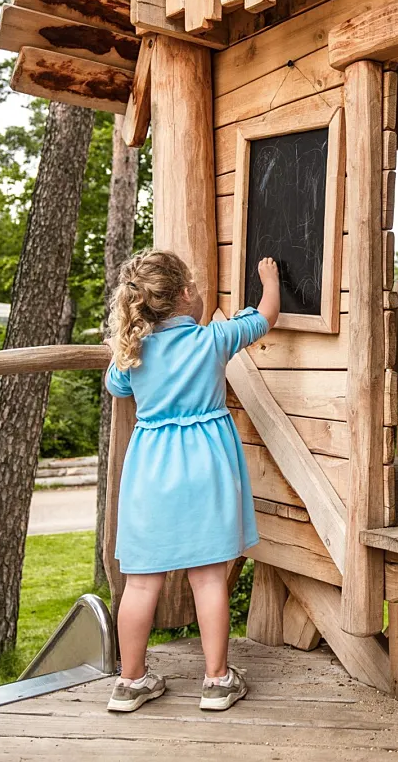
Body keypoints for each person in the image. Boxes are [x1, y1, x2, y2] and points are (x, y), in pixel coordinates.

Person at [103, 249, 280, 713]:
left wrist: (128, 343)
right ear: (185, 294)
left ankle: (130, 682)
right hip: (205, 469)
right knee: (208, 579)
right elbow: (265, 317)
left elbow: (116, 386)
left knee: (141, 584)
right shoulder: (213, 339)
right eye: (197, 287)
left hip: (149, 474)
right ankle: (217, 681)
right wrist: (269, 280)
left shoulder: (134, 350)